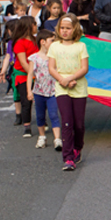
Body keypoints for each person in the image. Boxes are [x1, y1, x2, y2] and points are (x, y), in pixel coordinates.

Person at [48, 13, 90, 171]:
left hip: (78, 87)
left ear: (75, 29)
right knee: (67, 122)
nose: (65, 31)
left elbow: (84, 68)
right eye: (62, 28)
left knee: (78, 124)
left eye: (68, 28)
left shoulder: (81, 46)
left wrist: (71, 78)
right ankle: (68, 158)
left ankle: (78, 147)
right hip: (62, 87)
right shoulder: (54, 46)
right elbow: (51, 68)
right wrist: (62, 80)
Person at [27, 29, 62, 151]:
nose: (54, 43)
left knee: (53, 114)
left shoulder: (55, 57)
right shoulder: (34, 58)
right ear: (43, 42)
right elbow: (30, 74)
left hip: (53, 91)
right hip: (39, 91)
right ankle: (42, 136)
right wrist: (29, 91)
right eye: (51, 41)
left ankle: (57, 139)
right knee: (40, 115)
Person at [12, 16, 39, 138]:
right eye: (34, 24)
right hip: (23, 75)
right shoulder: (20, 42)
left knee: (41, 99)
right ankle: (27, 126)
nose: (36, 26)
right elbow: (23, 62)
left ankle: (42, 122)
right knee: (26, 101)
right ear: (29, 26)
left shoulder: (36, 40)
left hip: (36, 73)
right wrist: (33, 75)